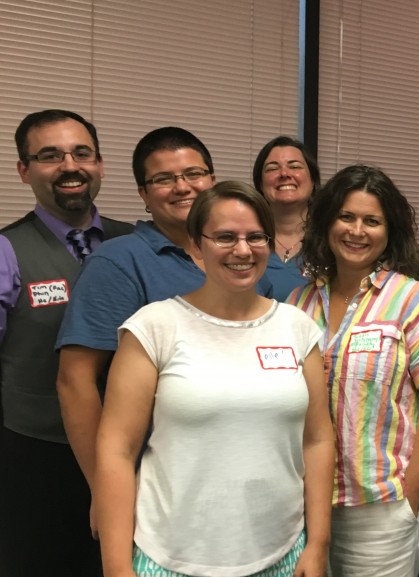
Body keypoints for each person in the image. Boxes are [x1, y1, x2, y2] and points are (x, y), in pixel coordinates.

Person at [94, 181, 334, 577]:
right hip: (171, 557)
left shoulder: (297, 328)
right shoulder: (155, 327)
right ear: (196, 245)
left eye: (256, 236)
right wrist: (117, 567)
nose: (242, 250)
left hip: (282, 553)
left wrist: (318, 543)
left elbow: (318, 439)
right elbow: (116, 450)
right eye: (225, 237)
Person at [55, 127, 272, 535]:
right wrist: (106, 488)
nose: (182, 187)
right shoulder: (119, 262)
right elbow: (75, 381)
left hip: (249, 485)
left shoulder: (244, 259)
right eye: (163, 179)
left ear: (212, 180)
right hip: (160, 490)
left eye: (194, 174)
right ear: (143, 192)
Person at [288, 164, 419, 577]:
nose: (357, 231)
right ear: (327, 223)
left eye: (372, 221)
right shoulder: (298, 303)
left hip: (380, 504)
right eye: (346, 217)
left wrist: (411, 494)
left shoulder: (414, 301)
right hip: (302, 500)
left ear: (389, 231)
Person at [0, 109, 133, 577]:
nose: (70, 166)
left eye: (82, 153)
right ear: (24, 170)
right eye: (50, 156)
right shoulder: (7, 251)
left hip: (136, 451)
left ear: (100, 164)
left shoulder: (136, 242)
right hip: (39, 458)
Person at [253, 135, 321, 300]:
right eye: (272, 168)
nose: (284, 173)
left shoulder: (330, 241)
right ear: (260, 184)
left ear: (312, 180)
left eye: (295, 166)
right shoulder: (245, 241)